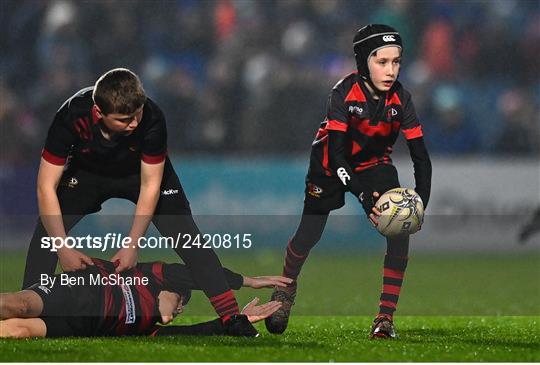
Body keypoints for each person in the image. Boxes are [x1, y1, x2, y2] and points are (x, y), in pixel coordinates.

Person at [23, 68, 257, 336]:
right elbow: (45, 186)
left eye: (137, 114)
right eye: (124, 119)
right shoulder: (71, 115)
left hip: (141, 174)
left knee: (188, 237)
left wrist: (133, 245)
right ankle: (30, 301)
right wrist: (63, 248)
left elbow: (150, 186)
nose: (134, 123)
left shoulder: (153, 117)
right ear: (99, 114)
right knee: (46, 234)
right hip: (89, 173)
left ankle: (230, 317)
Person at [265, 25, 432, 339]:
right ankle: (285, 291)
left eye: (396, 62)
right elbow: (339, 156)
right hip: (329, 164)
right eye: (382, 62)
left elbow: (421, 157)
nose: (391, 70)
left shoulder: (403, 99)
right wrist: (365, 198)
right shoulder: (343, 93)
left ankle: (385, 318)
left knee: (400, 230)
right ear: (362, 61)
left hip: (375, 164)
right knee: (308, 235)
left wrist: (421, 202)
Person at [1, 258, 288, 338]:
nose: (180, 309)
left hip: (83, 326)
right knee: (21, 305)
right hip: (80, 288)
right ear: (177, 293)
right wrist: (247, 281)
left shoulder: (147, 327)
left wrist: (236, 321)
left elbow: (190, 332)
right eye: (180, 301)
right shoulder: (154, 276)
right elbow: (198, 272)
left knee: (19, 330)